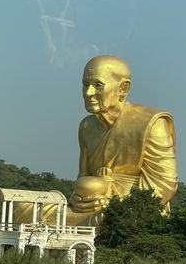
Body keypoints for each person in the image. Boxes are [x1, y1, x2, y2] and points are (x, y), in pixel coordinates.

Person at [67, 55, 178, 224]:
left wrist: (115, 204)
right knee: (24, 208)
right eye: (85, 84)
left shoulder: (150, 123)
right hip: (92, 206)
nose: (88, 93)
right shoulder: (87, 126)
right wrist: (78, 198)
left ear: (123, 88)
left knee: (105, 220)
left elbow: (164, 185)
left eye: (97, 85)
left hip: (132, 211)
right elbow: (83, 176)